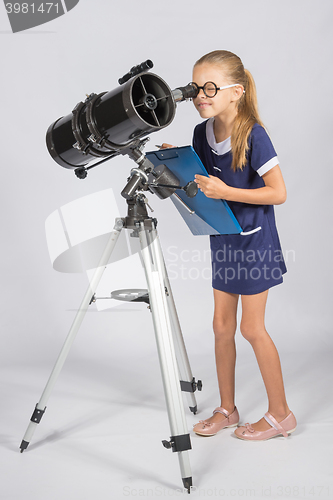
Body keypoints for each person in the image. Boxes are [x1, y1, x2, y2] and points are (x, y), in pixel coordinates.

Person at [183, 50, 296, 440]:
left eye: (210, 87)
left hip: (255, 244)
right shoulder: (202, 133)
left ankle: (281, 414)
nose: (201, 95)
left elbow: (278, 193)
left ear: (237, 91)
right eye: (196, 88)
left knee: (251, 328)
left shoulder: (254, 134)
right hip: (224, 239)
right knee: (220, 326)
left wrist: (226, 190)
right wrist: (175, 167)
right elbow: (201, 187)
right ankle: (226, 409)